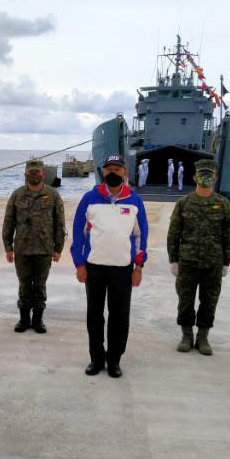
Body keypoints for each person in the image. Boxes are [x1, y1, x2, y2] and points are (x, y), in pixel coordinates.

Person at [71, 155, 148, 378]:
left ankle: (114, 360)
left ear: (124, 172)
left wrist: (139, 267)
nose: (113, 172)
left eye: (117, 168)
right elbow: (79, 233)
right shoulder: (90, 198)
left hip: (122, 270)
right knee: (94, 316)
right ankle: (96, 359)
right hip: (94, 268)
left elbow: (141, 235)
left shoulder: (134, 201)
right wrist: (79, 264)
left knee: (119, 316)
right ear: (102, 172)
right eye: (109, 169)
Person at [167, 159, 230, 355]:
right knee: (185, 301)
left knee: (209, 301)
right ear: (195, 177)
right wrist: (173, 259)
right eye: (202, 174)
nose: (205, 178)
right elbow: (174, 233)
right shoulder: (184, 203)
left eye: (209, 175)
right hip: (187, 262)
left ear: (215, 178)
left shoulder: (222, 204)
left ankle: (203, 337)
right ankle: (187, 335)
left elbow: (229, 235)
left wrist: (226, 262)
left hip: (213, 263)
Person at [2, 159, 66, 334]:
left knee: (39, 286)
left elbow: (60, 224)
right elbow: (8, 222)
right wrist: (8, 247)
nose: (34, 175)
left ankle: (38, 320)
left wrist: (58, 249)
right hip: (22, 249)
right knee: (24, 285)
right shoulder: (17, 195)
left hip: (44, 249)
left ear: (42, 174)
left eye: (37, 172)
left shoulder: (53, 195)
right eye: (30, 172)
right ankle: (23, 320)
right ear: (25, 175)